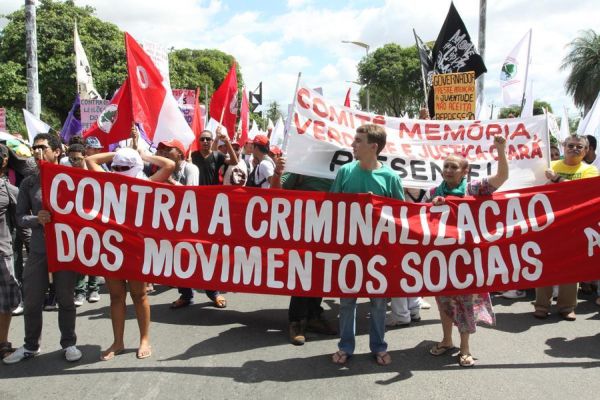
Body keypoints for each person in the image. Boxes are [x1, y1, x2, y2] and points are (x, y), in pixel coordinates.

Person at [86, 146, 175, 360]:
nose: (118, 170)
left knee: (139, 295)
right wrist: (118, 153)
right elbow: (90, 160)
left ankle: (144, 339)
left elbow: (170, 165)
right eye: (116, 167)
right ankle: (118, 342)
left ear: (136, 166)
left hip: (136, 248)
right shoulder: (108, 181)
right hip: (112, 247)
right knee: (116, 296)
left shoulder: (146, 184)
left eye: (123, 167)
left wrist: (142, 156)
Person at [427, 135, 508, 367]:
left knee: (465, 303)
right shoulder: (432, 192)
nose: (448, 170)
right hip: (442, 256)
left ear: (465, 171)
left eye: (454, 167)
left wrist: (501, 150)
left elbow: (501, 177)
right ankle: (446, 340)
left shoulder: (474, 189)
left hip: (468, 257)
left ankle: (465, 348)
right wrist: (431, 206)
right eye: (446, 166)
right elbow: (418, 219)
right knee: (443, 300)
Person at [330, 124, 404, 366]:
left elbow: (401, 217)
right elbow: (331, 208)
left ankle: (379, 346)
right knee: (347, 301)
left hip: (378, 252)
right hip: (349, 249)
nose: (353, 145)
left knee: (379, 302)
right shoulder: (345, 172)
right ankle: (345, 346)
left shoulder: (391, 178)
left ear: (373, 147)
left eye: (358, 141)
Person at [4, 134, 81, 364]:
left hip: (65, 249)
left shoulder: (73, 180)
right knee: (32, 299)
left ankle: (69, 343)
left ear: (56, 151)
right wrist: (37, 219)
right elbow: (20, 217)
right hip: (39, 249)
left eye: (42, 147)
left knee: (66, 298)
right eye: (34, 147)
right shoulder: (28, 183)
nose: (37, 151)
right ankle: (31, 345)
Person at [270, 157, 337, 345]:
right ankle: (297, 321)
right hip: (304, 231)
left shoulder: (342, 167)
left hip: (329, 230)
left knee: (321, 273)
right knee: (304, 273)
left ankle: (314, 315)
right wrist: (277, 172)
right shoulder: (302, 164)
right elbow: (276, 191)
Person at [534, 134, 599, 320]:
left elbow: (583, 191)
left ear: (586, 151)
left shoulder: (590, 170)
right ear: (564, 147)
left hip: (574, 225)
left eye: (579, 147)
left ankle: (566, 307)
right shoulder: (549, 166)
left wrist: (556, 179)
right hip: (549, 223)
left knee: (571, 267)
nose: (574, 149)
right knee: (544, 264)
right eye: (571, 145)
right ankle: (541, 305)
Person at [189, 126, 238, 308]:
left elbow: (234, 161)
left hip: (211, 208)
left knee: (210, 251)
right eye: (202, 139)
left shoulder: (217, 156)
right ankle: (186, 294)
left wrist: (226, 140)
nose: (205, 142)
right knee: (187, 249)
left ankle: (213, 292)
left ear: (212, 142)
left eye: (208, 139)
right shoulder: (192, 156)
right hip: (191, 207)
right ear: (198, 141)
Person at [0, 144, 21, 359]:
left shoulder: (10, 191)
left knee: (5, 301)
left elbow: (21, 222)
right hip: (4, 253)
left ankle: (2, 343)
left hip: (3, 253)